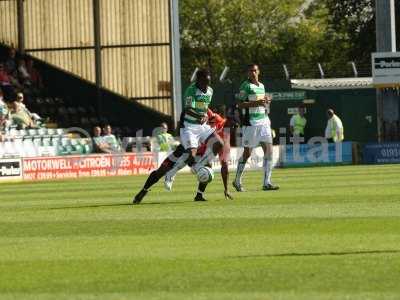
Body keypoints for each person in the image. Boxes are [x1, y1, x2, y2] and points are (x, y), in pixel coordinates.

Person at [133, 69, 224, 203]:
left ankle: (199, 194)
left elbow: (203, 107)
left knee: (217, 146)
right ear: (198, 80)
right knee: (162, 170)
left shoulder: (209, 91)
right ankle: (143, 191)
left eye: (208, 82)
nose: (206, 85)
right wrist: (199, 117)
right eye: (204, 82)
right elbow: (188, 109)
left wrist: (207, 115)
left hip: (200, 129)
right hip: (190, 129)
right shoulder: (190, 91)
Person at [164, 108, 234, 200]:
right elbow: (204, 110)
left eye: (234, 127)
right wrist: (203, 115)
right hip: (196, 138)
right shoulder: (217, 119)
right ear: (227, 121)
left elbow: (224, 163)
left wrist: (226, 189)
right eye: (233, 125)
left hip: (204, 146)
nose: (233, 128)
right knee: (192, 157)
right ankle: (171, 173)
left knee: (207, 169)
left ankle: (199, 195)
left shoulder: (226, 136)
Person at [233, 64, 279, 192]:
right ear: (248, 73)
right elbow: (239, 104)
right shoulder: (245, 86)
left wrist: (265, 101)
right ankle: (237, 180)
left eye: (255, 70)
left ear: (258, 72)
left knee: (269, 151)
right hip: (251, 123)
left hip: (263, 121)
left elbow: (260, 103)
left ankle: (266, 182)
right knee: (247, 153)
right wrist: (257, 103)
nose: (253, 72)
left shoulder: (262, 86)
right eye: (250, 71)